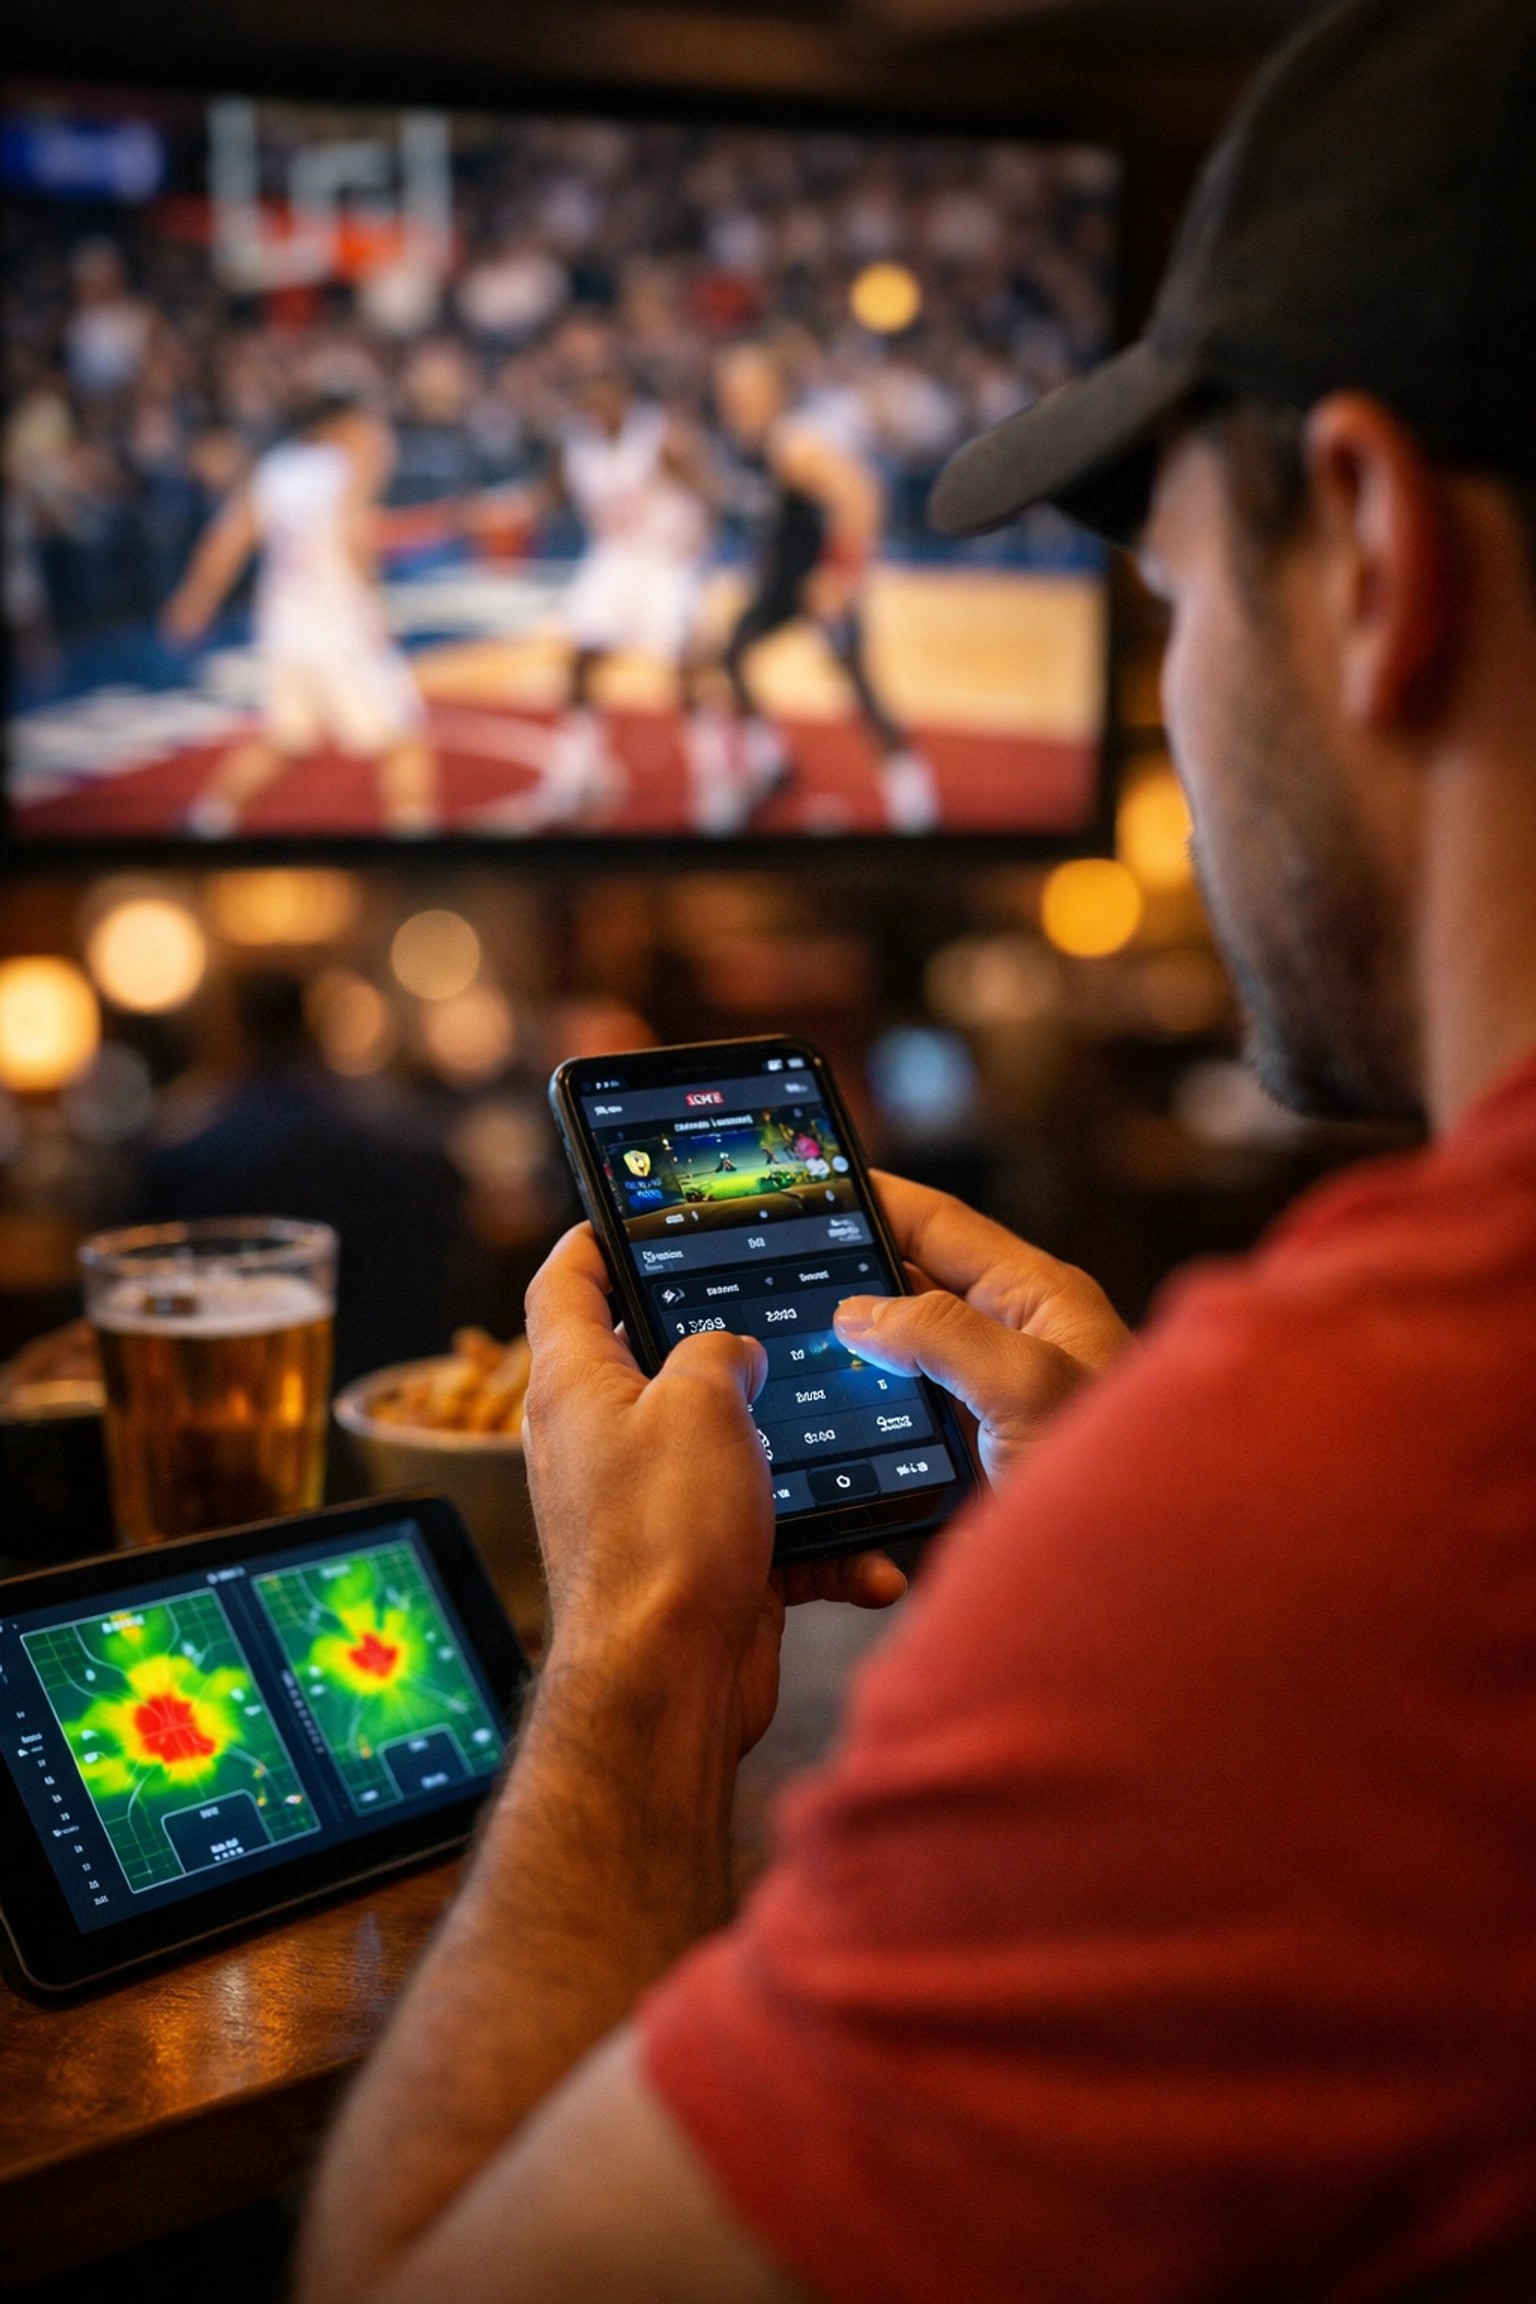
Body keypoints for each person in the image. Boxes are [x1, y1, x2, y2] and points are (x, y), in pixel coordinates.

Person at [297, 1, 1536, 2298]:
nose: (1176, 701)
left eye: (1168, 597)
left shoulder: (1340, 1493)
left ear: (1367, 552)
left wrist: (639, 1644)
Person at [163, 391, 440, 838]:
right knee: (403, 739)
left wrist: (194, 601)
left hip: (285, 633)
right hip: (341, 631)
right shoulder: (350, 464)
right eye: (365, 424)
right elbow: (354, 536)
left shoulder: (275, 468)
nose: (375, 433)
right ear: (340, 427)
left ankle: (205, 822)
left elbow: (227, 542)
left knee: (285, 741)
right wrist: (377, 609)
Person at [710, 338, 940, 835]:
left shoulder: (795, 444)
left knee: (859, 687)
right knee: (730, 654)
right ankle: (772, 764)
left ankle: (913, 797)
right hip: (783, 582)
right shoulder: (749, 442)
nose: (734, 400)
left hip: (818, 583)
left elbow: (863, 496)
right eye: (728, 390)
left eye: (745, 390)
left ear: (774, 391)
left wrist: (839, 575)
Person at [473, 365, 716, 833]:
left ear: (623, 393)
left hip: (663, 560)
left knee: (683, 666)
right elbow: (550, 492)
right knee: (582, 658)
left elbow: (706, 486)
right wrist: (509, 509)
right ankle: (580, 765)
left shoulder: (660, 435)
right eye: (588, 397)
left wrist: (699, 543)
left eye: (604, 394)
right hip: (613, 557)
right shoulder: (577, 443)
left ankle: (712, 771)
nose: (596, 406)